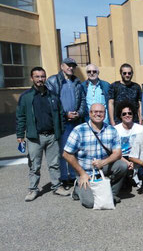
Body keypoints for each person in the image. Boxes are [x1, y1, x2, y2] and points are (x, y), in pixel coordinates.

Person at [16, 67, 70, 201]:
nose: (40, 79)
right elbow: (21, 117)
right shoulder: (26, 97)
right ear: (32, 78)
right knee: (34, 165)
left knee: (54, 164)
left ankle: (57, 186)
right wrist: (20, 135)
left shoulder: (52, 95)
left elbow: (61, 114)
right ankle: (33, 189)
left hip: (52, 136)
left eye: (42, 76)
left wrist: (60, 131)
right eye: (37, 76)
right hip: (35, 137)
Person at [63, 103, 128, 208]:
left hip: (103, 169)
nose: (98, 114)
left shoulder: (111, 130)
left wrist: (103, 162)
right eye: (95, 112)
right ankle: (77, 189)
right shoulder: (79, 130)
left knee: (122, 166)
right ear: (90, 113)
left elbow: (118, 153)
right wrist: (82, 173)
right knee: (90, 203)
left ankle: (111, 193)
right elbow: (66, 154)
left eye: (101, 112)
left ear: (105, 114)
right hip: (86, 173)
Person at [45, 57, 86, 187]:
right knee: (63, 151)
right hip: (62, 122)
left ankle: (74, 176)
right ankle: (63, 177)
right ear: (62, 66)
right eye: (68, 65)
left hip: (75, 121)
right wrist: (64, 114)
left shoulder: (77, 82)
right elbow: (50, 103)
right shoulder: (52, 81)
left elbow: (83, 100)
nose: (71, 68)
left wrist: (79, 113)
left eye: (73, 66)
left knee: (75, 150)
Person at [113, 101, 143, 188]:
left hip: (137, 157)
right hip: (121, 157)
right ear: (120, 116)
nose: (127, 115)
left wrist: (135, 161)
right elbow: (113, 151)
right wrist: (127, 162)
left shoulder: (141, 129)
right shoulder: (115, 130)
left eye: (129, 113)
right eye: (124, 114)